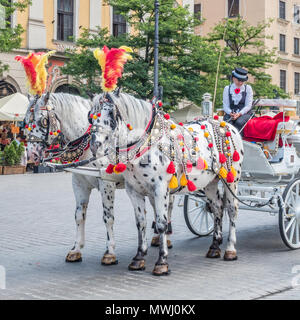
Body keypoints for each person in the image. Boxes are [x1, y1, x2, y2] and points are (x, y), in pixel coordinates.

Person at [223, 67, 253, 133]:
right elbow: (225, 106)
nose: (240, 83)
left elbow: (248, 105)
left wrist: (239, 114)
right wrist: (231, 113)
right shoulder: (227, 88)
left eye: (242, 81)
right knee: (227, 123)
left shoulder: (248, 88)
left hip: (244, 113)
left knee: (239, 122)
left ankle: (239, 141)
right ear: (233, 78)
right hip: (231, 113)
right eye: (239, 80)